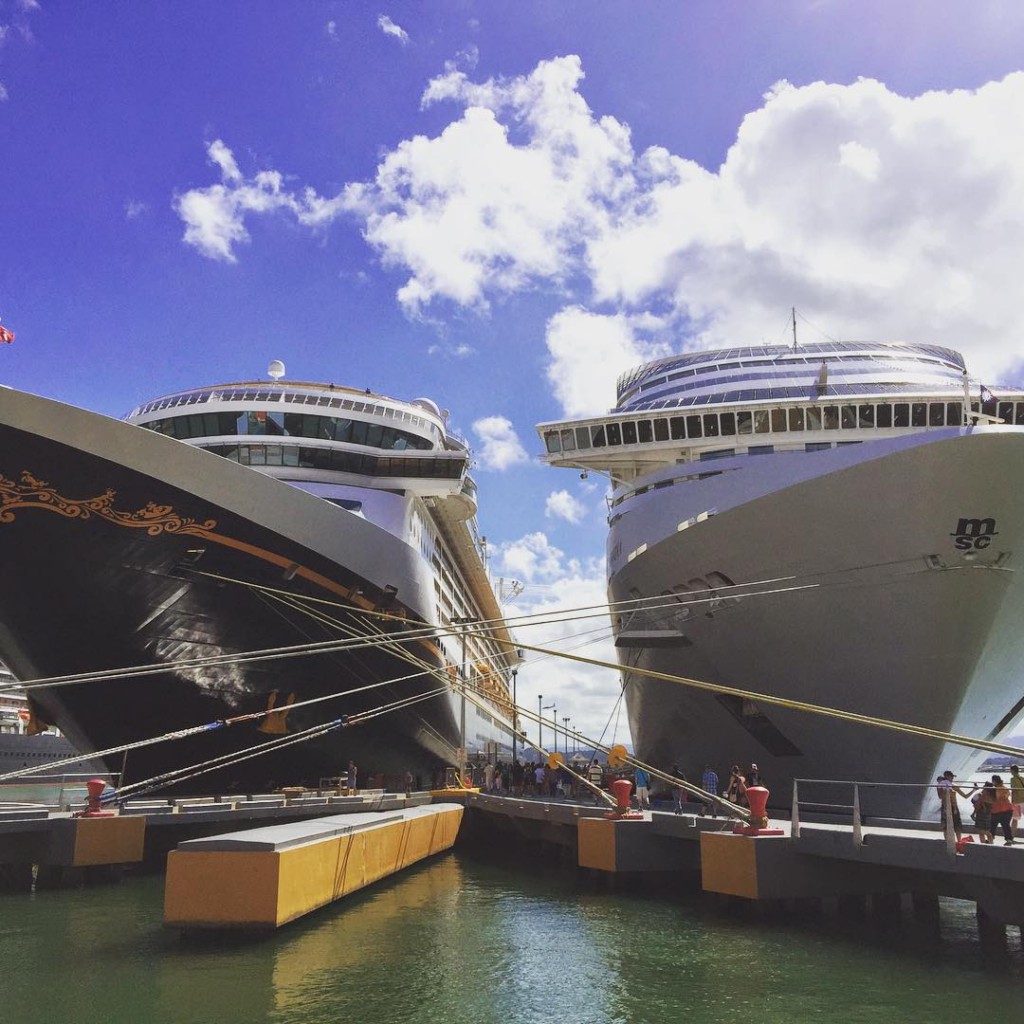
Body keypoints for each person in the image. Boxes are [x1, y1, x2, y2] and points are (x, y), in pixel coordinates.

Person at [935, 770, 971, 841]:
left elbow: (965, 796)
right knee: (947, 826)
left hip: (952, 807)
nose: (952, 779)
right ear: (947, 777)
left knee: (956, 826)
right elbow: (940, 796)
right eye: (951, 777)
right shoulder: (941, 786)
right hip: (947, 807)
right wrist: (945, 790)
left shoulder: (953, 786)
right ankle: (949, 841)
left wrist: (973, 790)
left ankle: (958, 842)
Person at [990, 774, 1015, 844]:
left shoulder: (997, 789)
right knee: (1005, 825)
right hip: (1007, 810)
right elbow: (1007, 795)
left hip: (998, 811)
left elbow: (997, 797)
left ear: (994, 781)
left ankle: (990, 839)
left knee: (993, 825)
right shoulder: (1005, 788)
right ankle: (1009, 840)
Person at [1010, 765, 1024, 833]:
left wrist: (1012, 801)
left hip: (1017, 801)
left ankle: (1012, 835)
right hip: (1023, 800)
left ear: (1013, 771)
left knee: (1015, 819)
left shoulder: (1013, 779)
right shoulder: (1022, 778)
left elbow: (1014, 790)